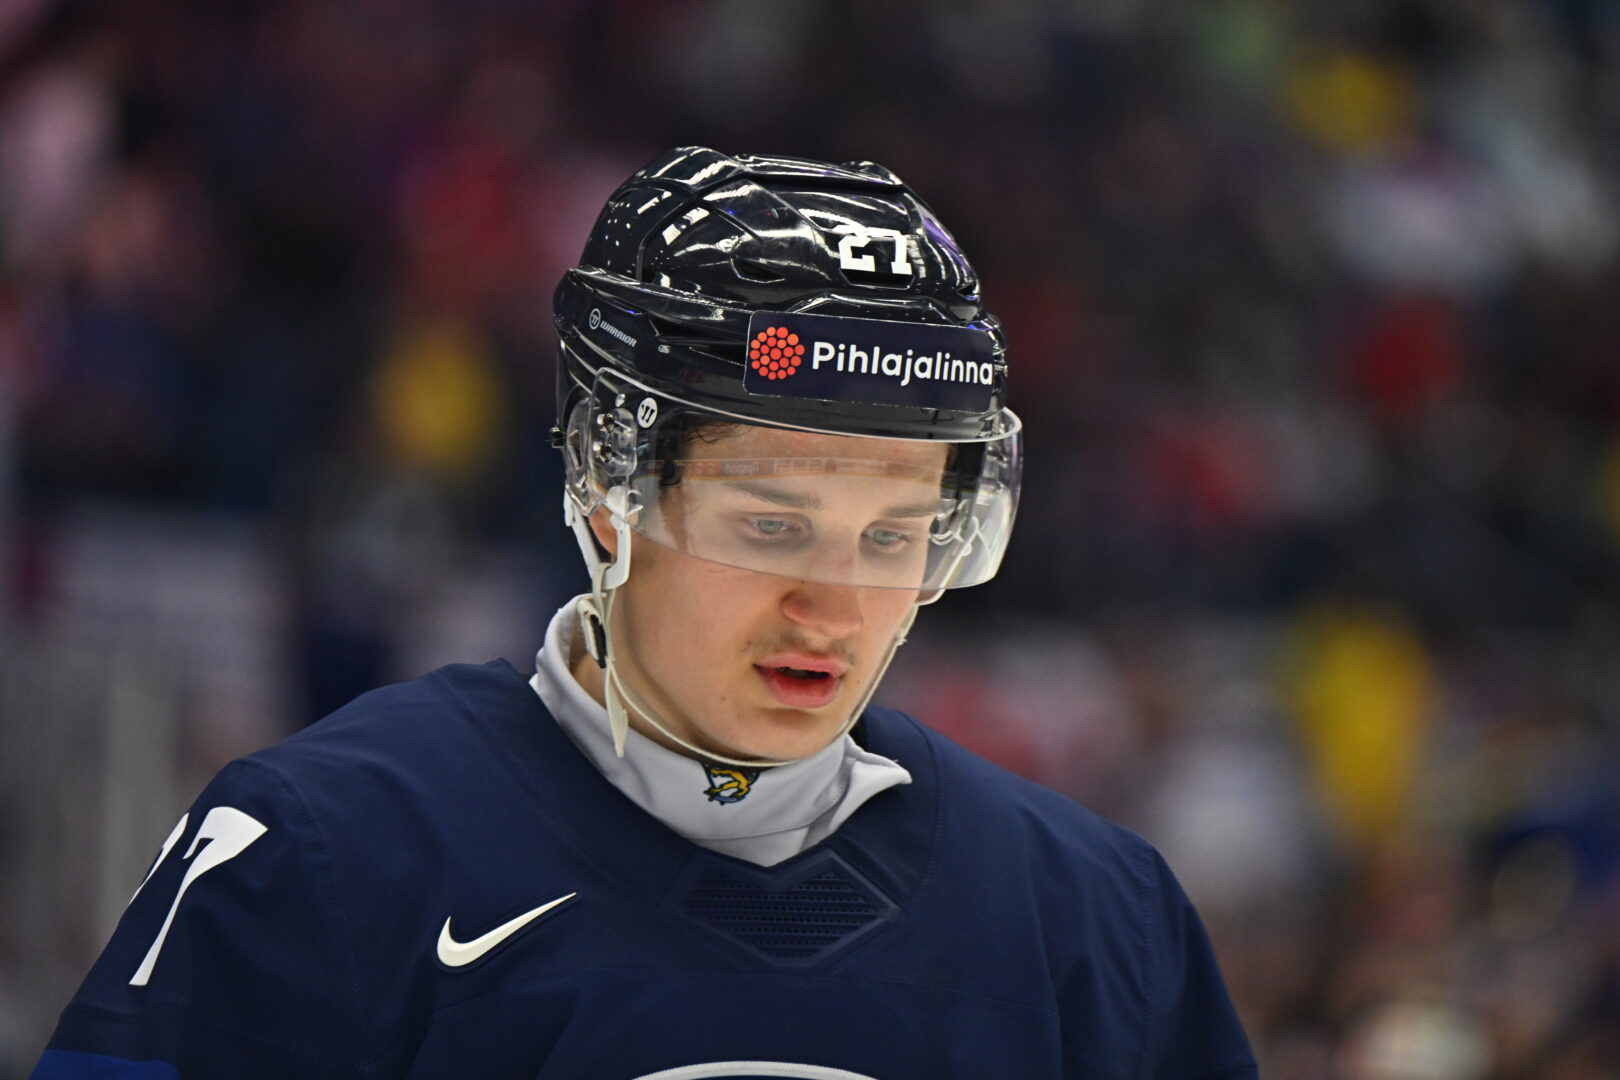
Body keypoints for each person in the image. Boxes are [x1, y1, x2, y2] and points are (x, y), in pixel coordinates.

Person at [31, 147, 1258, 1079]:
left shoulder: (1096, 923)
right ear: (611, 492)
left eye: (895, 537)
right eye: (771, 526)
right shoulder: (323, 851)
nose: (837, 607)